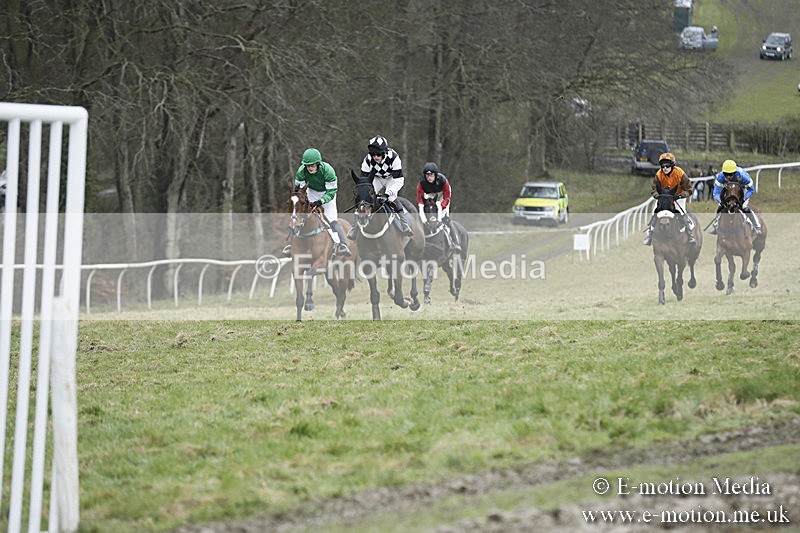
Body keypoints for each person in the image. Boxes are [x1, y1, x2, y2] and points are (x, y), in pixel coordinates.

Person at [283, 148, 352, 257]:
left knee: (332, 220)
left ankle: (342, 244)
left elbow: (332, 191)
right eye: (308, 165)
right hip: (311, 192)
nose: (310, 168)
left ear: (318, 164)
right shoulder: (301, 172)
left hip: (327, 193)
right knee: (299, 218)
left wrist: (321, 201)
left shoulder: (328, 171)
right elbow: (298, 190)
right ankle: (290, 245)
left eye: (312, 165)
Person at [348, 134, 413, 238]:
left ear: (384, 152)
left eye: (378, 154)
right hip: (376, 178)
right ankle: (355, 227)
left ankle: (404, 224)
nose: (375, 157)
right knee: (365, 199)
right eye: (373, 154)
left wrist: (386, 195)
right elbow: (364, 183)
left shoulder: (394, 158)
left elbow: (399, 181)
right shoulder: (367, 160)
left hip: (392, 178)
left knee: (392, 198)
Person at [643, 152, 697, 246]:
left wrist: (679, 196)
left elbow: (689, 190)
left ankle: (689, 234)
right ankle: (650, 234)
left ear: (672, 166)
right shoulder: (659, 175)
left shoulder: (680, 173)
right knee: (655, 211)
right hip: (663, 198)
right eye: (662, 166)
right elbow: (654, 189)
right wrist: (658, 196)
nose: (665, 168)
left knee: (681, 211)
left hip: (678, 196)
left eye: (667, 166)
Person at [416, 162, 461, 253]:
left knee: (445, 218)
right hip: (429, 196)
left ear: (435, 175)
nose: (429, 178)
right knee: (425, 217)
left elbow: (447, 197)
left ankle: (455, 242)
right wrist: (422, 213)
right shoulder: (421, 183)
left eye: (431, 175)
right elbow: (420, 200)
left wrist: (440, 208)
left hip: (442, 196)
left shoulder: (443, 181)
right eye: (427, 175)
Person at [708, 159, 762, 235]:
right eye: (726, 174)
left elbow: (751, 189)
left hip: (743, 190)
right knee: (720, 206)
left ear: (735, 173)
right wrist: (721, 201)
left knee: (744, 207)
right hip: (729, 190)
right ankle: (716, 224)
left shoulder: (742, 176)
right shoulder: (720, 177)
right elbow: (716, 193)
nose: (728, 177)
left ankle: (756, 226)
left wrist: (743, 199)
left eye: (730, 174)